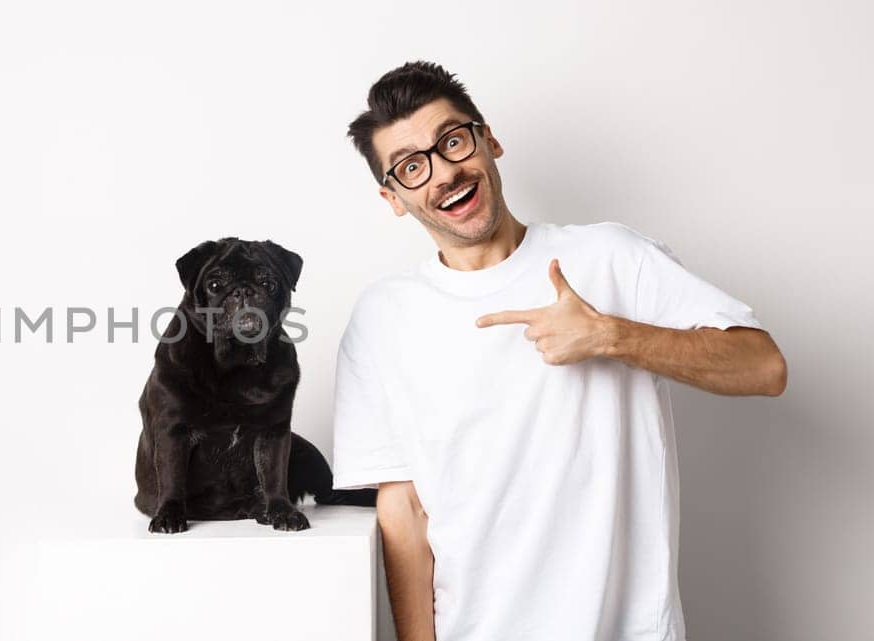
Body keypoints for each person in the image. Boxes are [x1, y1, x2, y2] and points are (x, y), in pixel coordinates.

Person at [330, 61, 787, 641]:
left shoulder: (609, 257)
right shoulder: (381, 318)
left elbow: (765, 367)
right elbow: (404, 513)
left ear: (488, 139)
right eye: (412, 167)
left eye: (452, 141)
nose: (443, 172)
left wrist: (610, 336)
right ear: (393, 197)